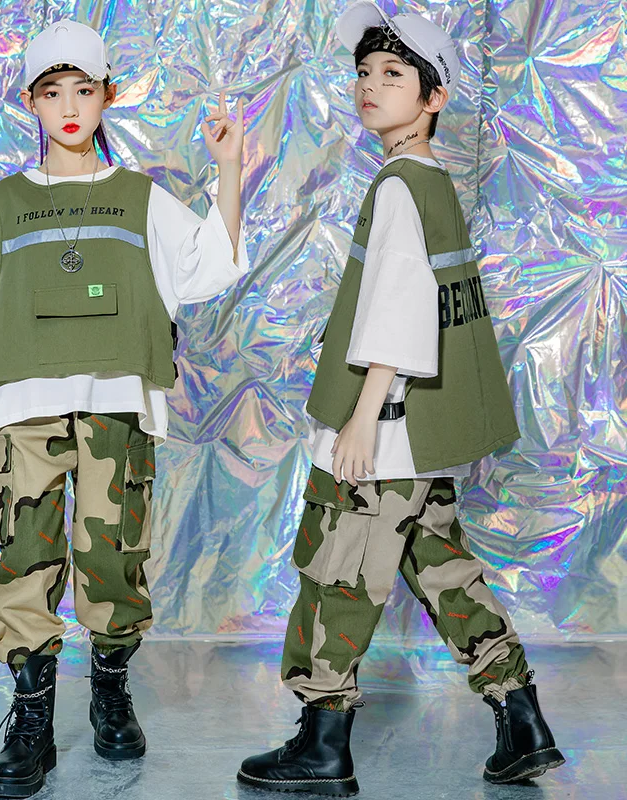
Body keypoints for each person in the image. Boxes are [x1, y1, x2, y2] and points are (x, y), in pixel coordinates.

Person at [0, 19, 247, 799]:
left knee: (113, 555)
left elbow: (212, 264)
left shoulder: (139, 199)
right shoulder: (3, 204)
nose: (67, 107)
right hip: (25, 402)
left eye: (82, 91)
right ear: (30, 102)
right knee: (25, 555)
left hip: (117, 402)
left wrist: (229, 170)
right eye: (51, 92)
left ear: (106, 97)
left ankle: (110, 690)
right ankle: (31, 718)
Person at [237, 3, 563, 795]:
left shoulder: (396, 187)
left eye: (393, 74)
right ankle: (522, 721)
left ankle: (323, 745)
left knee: (339, 571)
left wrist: (363, 416)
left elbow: (399, 308)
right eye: (363, 73)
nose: (370, 86)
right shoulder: (434, 183)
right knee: (443, 569)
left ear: (433, 97)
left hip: (386, 430)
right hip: (425, 436)